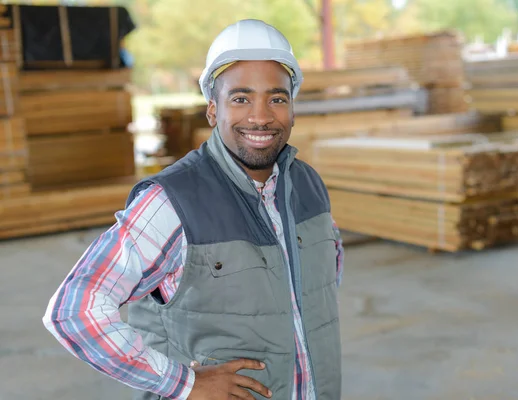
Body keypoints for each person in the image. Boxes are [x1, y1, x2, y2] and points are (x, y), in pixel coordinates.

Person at [43, 19, 344, 400]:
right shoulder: (172, 200)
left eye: (277, 98)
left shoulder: (309, 185)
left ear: (293, 107)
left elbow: (323, 284)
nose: (261, 116)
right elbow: (73, 311)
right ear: (212, 110)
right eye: (240, 98)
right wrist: (184, 383)